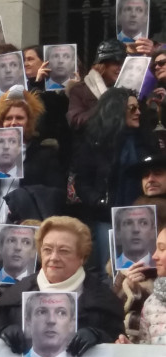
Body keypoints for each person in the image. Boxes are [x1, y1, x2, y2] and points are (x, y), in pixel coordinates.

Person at [0, 87, 66, 279]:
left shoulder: (44, 154)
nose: (13, 122)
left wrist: (24, 198)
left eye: (19, 118)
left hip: (26, 233)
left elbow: (58, 196)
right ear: (0, 122)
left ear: (29, 123)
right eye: (8, 118)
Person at [0, 216, 125, 357]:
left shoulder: (104, 302)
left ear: (82, 257)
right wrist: (3, 332)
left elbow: (120, 350)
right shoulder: (13, 299)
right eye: (47, 250)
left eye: (63, 251)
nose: (53, 257)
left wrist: (100, 337)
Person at [71, 88, 157, 271]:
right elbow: (82, 182)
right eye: (132, 108)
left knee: (144, 271)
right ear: (116, 110)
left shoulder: (147, 141)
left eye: (138, 107)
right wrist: (99, 201)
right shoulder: (95, 143)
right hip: (107, 218)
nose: (139, 112)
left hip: (144, 217)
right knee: (109, 272)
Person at [67, 39, 127, 131]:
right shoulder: (80, 90)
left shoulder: (128, 89)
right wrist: (105, 107)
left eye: (123, 64)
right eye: (116, 63)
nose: (120, 68)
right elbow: (75, 121)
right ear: (103, 64)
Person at [23, 292, 77, 357]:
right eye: (42, 312)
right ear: (28, 321)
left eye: (61, 313)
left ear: (72, 323)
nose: (51, 320)